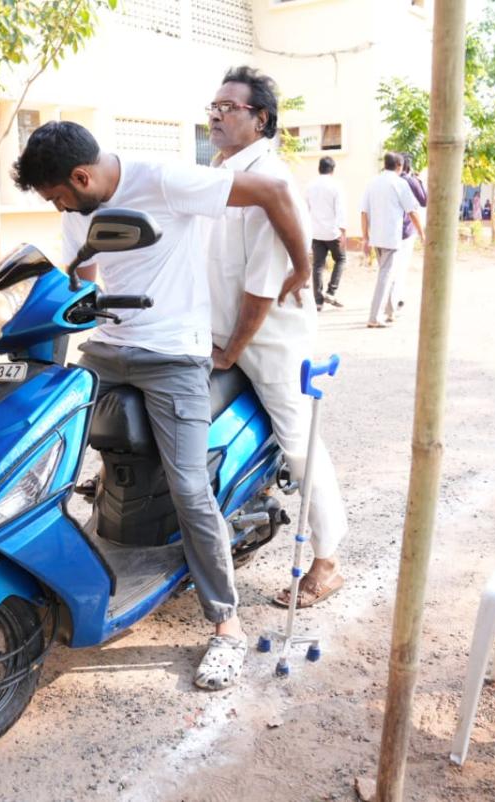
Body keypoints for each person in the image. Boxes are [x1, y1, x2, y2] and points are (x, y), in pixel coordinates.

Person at [11, 120, 309, 690]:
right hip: (107, 349)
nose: (59, 209)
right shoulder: (78, 209)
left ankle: (226, 625)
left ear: (81, 176)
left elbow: (273, 192)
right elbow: (84, 275)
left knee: (189, 486)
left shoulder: (164, 180)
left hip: (173, 354)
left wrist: (303, 265)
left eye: (59, 197)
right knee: (42, 439)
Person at [205, 65, 350, 613]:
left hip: (268, 338)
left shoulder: (273, 180)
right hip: (220, 331)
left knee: (300, 441)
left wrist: (233, 352)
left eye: (230, 107)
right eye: (213, 107)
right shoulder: (220, 171)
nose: (217, 115)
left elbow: (263, 289)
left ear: (260, 119)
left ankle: (328, 560)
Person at [361, 153, 424, 328]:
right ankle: (374, 317)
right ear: (399, 166)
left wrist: (365, 237)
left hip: (376, 237)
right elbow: (412, 211)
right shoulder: (400, 183)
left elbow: (364, 212)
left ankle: (390, 311)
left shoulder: (372, 182)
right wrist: (422, 233)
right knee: (386, 276)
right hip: (391, 237)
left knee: (388, 274)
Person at [306, 156, 347, 311]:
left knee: (317, 265)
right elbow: (341, 210)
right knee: (341, 259)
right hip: (333, 232)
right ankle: (331, 291)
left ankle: (318, 301)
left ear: (319, 168)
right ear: (333, 170)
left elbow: (305, 209)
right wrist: (343, 232)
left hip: (315, 232)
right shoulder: (336, 185)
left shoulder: (310, 185)